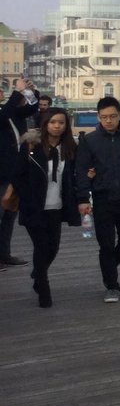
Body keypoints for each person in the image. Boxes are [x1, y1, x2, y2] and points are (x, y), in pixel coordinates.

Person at [76, 97, 120, 303]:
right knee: (106, 244)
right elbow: (82, 171)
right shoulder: (89, 141)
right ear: (98, 117)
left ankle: (108, 267)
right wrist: (83, 198)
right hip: (103, 199)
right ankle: (112, 285)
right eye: (104, 117)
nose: (109, 121)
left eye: (113, 116)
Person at [16, 107, 80, 307]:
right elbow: (18, 175)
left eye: (61, 122)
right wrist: (28, 196)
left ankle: (38, 273)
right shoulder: (31, 145)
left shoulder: (69, 148)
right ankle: (43, 290)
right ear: (45, 124)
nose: (57, 126)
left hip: (56, 207)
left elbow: (73, 175)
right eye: (53, 122)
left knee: (53, 248)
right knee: (42, 247)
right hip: (34, 207)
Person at [1, 77, 41, 267]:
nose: (2, 92)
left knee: (9, 213)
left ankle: (4, 254)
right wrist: (17, 92)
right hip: (1, 173)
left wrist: (31, 93)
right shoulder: (5, 113)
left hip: (15, 171)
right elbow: (6, 113)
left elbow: (31, 109)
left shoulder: (10, 112)